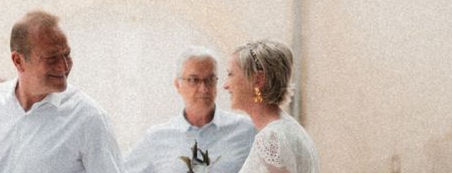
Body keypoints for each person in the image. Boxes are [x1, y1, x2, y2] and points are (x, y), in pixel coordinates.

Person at [0, 10, 125, 173]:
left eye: (67, 54)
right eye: (51, 58)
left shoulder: (89, 118)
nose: (64, 66)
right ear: (18, 61)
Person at [125, 46, 256, 173]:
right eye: (194, 80)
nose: (203, 88)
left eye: (210, 80)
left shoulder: (246, 131)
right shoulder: (156, 138)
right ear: (178, 85)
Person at [223, 40, 319, 173]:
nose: (225, 85)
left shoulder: (272, 137)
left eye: (230, 74)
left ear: (258, 80)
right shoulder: (288, 129)